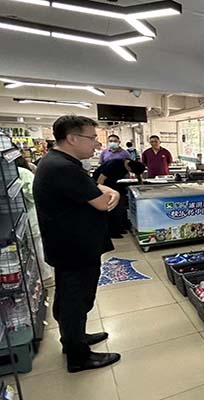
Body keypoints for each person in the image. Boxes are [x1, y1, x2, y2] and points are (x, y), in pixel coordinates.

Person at [33, 115, 121, 373]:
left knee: (69, 297)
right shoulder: (64, 168)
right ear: (72, 138)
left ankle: (74, 338)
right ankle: (78, 356)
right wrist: (112, 192)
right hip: (75, 248)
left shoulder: (55, 162)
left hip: (67, 245)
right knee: (76, 299)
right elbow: (102, 202)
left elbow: (94, 190)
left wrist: (108, 191)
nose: (96, 144)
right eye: (91, 137)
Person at [14, 155, 53, 285]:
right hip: (25, 217)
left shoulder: (22, 173)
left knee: (36, 247)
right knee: (34, 247)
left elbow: (34, 194)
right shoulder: (23, 172)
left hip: (30, 216)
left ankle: (46, 276)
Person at [92, 158, 146, 238]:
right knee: (113, 210)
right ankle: (112, 231)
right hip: (104, 185)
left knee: (121, 206)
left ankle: (121, 227)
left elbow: (138, 175)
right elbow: (101, 179)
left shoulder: (130, 163)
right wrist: (101, 193)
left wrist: (141, 185)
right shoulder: (114, 165)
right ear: (129, 168)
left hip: (113, 184)